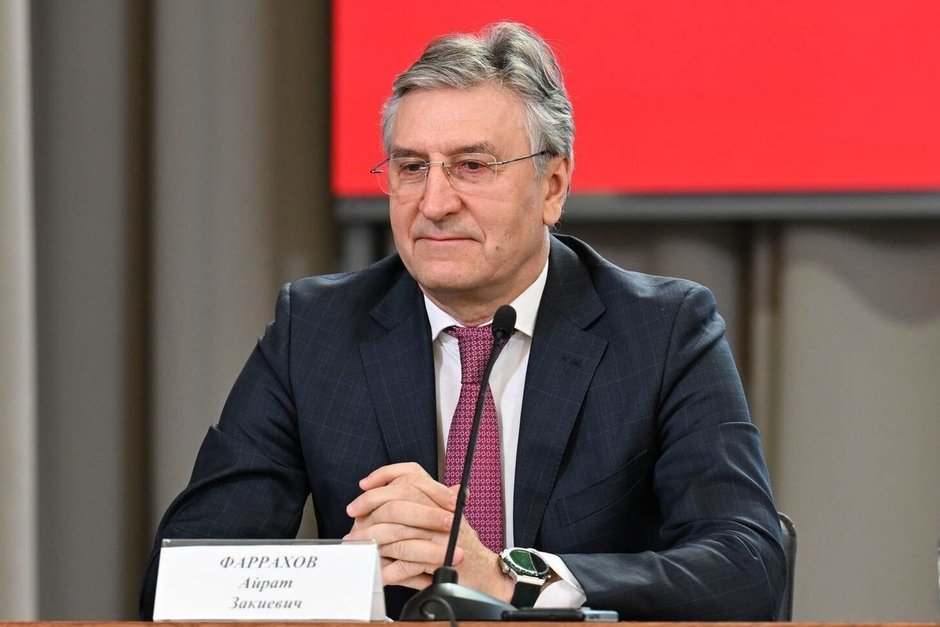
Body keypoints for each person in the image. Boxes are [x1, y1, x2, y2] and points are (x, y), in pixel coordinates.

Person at [140, 22, 785, 620]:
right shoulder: (314, 332)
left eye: (472, 167)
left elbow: (750, 566)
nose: (435, 202)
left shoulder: (663, 331)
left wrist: (511, 578)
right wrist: (344, 574)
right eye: (411, 168)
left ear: (553, 186)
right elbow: (176, 581)